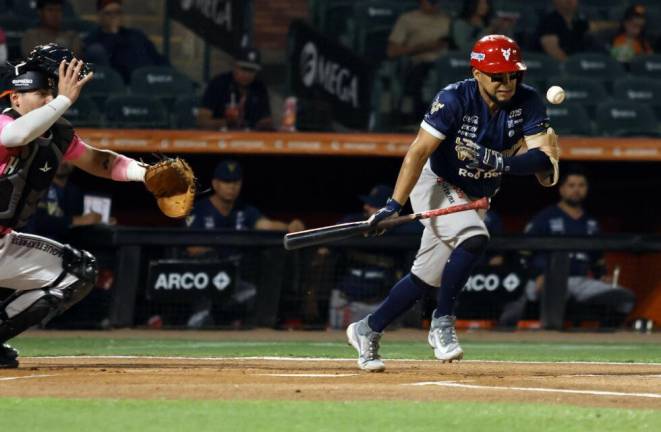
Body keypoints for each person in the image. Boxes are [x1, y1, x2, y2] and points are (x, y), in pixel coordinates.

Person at [346, 34, 560, 371]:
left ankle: (367, 328)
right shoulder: (453, 98)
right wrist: (392, 205)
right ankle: (442, 322)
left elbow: (542, 162)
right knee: (475, 237)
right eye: (498, 75)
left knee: (424, 278)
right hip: (437, 181)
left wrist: (497, 161)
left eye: (513, 74)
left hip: (476, 193)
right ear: (477, 74)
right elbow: (417, 151)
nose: (507, 82)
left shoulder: (529, 101)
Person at [0, 44, 160, 368]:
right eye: (39, 93)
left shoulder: (55, 134)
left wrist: (147, 174)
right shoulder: (5, 122)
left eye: (50, 92)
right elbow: (14, 136)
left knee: (78, 271)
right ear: (15, 99)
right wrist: (62, 100)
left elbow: (100, 161)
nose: (48, 99)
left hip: (2, 244)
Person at [524, 167, 636, 328]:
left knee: (624, 297)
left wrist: (602, 276)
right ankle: (549, 336)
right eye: (571, 185)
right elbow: (523, 254)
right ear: (561, 189)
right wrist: (536, 277)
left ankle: (603, 338)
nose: (576, 189)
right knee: (554, 293)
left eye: (581, 185)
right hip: (548, 280)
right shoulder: (545, 218)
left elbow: (597, 259)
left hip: (581, 282)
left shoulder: (591, 223)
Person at [186, 160, 304, 255]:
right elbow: (191, 248)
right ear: (215, 184)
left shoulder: (245, 210)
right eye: (226, 181)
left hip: (239, 272)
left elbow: (266, 225)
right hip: (205, 272)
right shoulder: (198, 209)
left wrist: (289, 226)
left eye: (235, 182)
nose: (231, 187)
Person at [387, 0, 451, 120]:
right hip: (418, 62)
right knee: (425, 74)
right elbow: (392, 51)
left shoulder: (447, 20)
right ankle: (419, 118)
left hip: (446, 64)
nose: (433, 3)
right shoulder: (407, 19)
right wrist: (424, 47)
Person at [83, 0, 169, 83]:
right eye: (108, 13)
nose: (114, 16)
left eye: (118, 12)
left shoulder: (137, 35)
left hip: (150, 81)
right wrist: (113, 33)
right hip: (121, 86)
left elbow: (158, 58)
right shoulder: (93, 40)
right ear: (99, 16)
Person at [23, 162, 110, 242]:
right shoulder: (38, 186)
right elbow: (37, 222)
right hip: (36, 247)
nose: (63, 161)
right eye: (61, 155)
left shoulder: (75, 191)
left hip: (66, 248)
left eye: (69, 157)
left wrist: (101, 220)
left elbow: (81, 220)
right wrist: (76, 220)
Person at [196, 47, 273, 131]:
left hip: (251, 139)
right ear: (235, 66)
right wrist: (227, 122)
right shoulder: (218, 84)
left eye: (251, 70)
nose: (247, 74)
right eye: (243, 69)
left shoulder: (259, 88)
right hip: (219, 139)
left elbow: (266, 120)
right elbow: (201, 122)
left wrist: (263, 124)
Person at [451, 0, 517, 53]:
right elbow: (465, 47)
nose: (484, 6)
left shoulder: (490, 22)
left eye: (486, 3)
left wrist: (506, 28)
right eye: (480, 3)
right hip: (464, 61)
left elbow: (508, 45)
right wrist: (490, 29)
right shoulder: (461, 24)